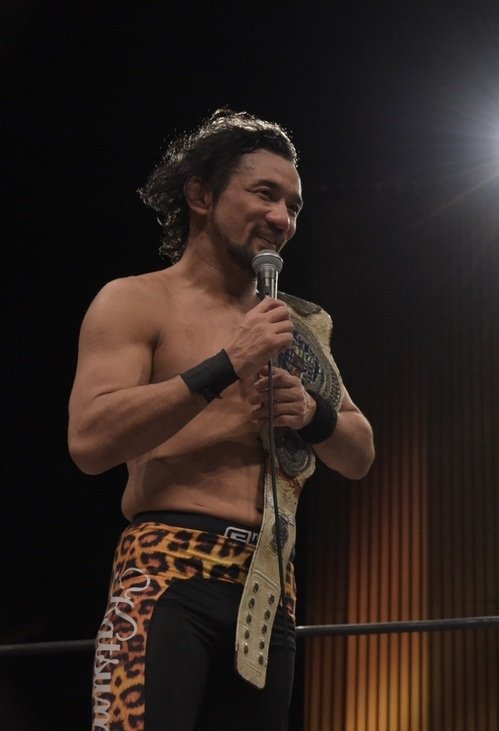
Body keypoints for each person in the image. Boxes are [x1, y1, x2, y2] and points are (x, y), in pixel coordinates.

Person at [69, 109, 375, 730]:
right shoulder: (136, 300)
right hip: (165, 574)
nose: (281, 218)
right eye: (265, 194)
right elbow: (91, 440)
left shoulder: (299, 325)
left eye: (293, 205)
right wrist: (226, 364)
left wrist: (310, 412)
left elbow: (360, 453)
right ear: (201, 195)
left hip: (270, 586)